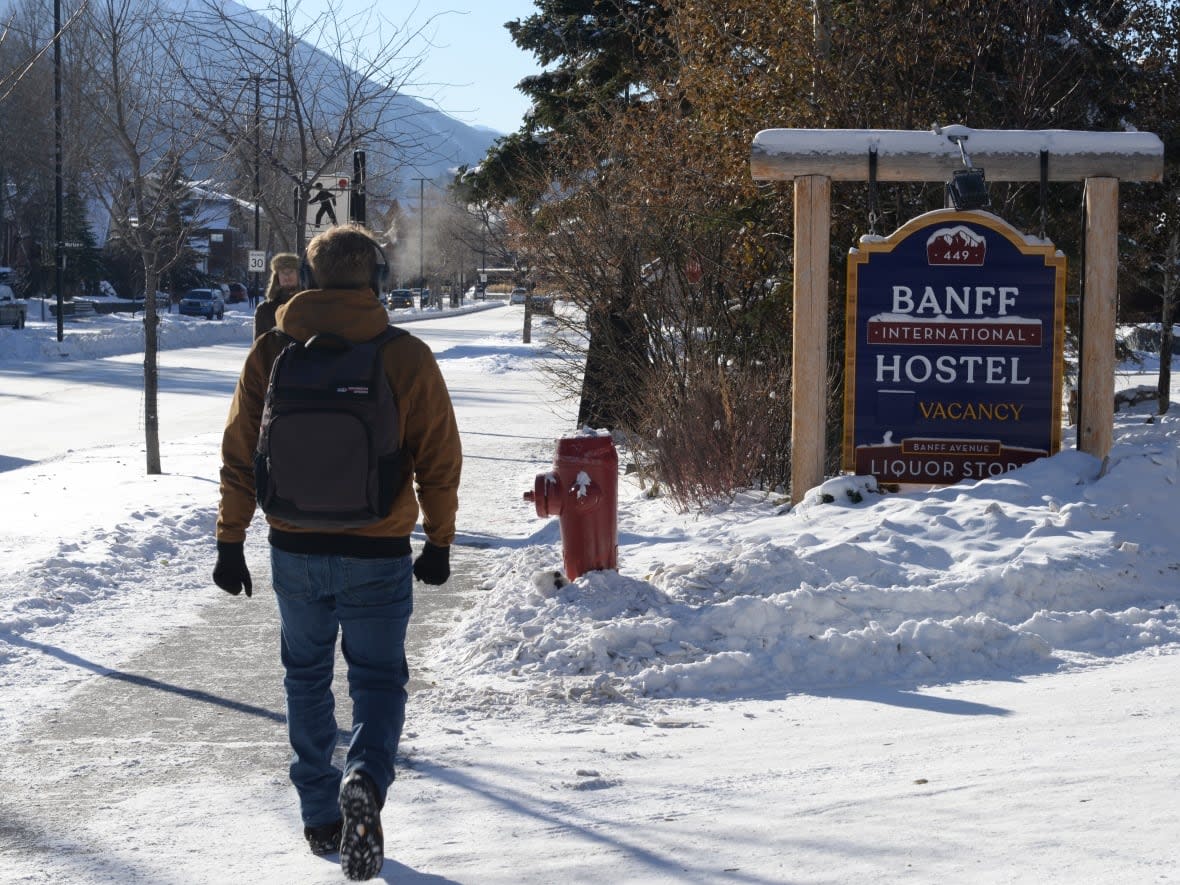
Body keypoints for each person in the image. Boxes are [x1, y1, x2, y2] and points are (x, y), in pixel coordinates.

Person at [213, 224, 462, 879]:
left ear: (312, 280)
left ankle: (322, 814)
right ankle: (366, 780)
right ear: (373, 280)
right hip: (378, 546)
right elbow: (439, 457)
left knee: (305, 676)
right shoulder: (404, 355)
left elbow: (240, 452)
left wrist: (230, 539)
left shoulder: (271, 349)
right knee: (378, 679)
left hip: (293, 545)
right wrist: (438, 538)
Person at [254, 252, 300, 339]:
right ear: (277, 277)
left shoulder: (308, 304)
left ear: (298, 275)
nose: (287, 276)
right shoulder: (264, 309)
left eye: (291, 271)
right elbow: (258, 347)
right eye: (283, 272)